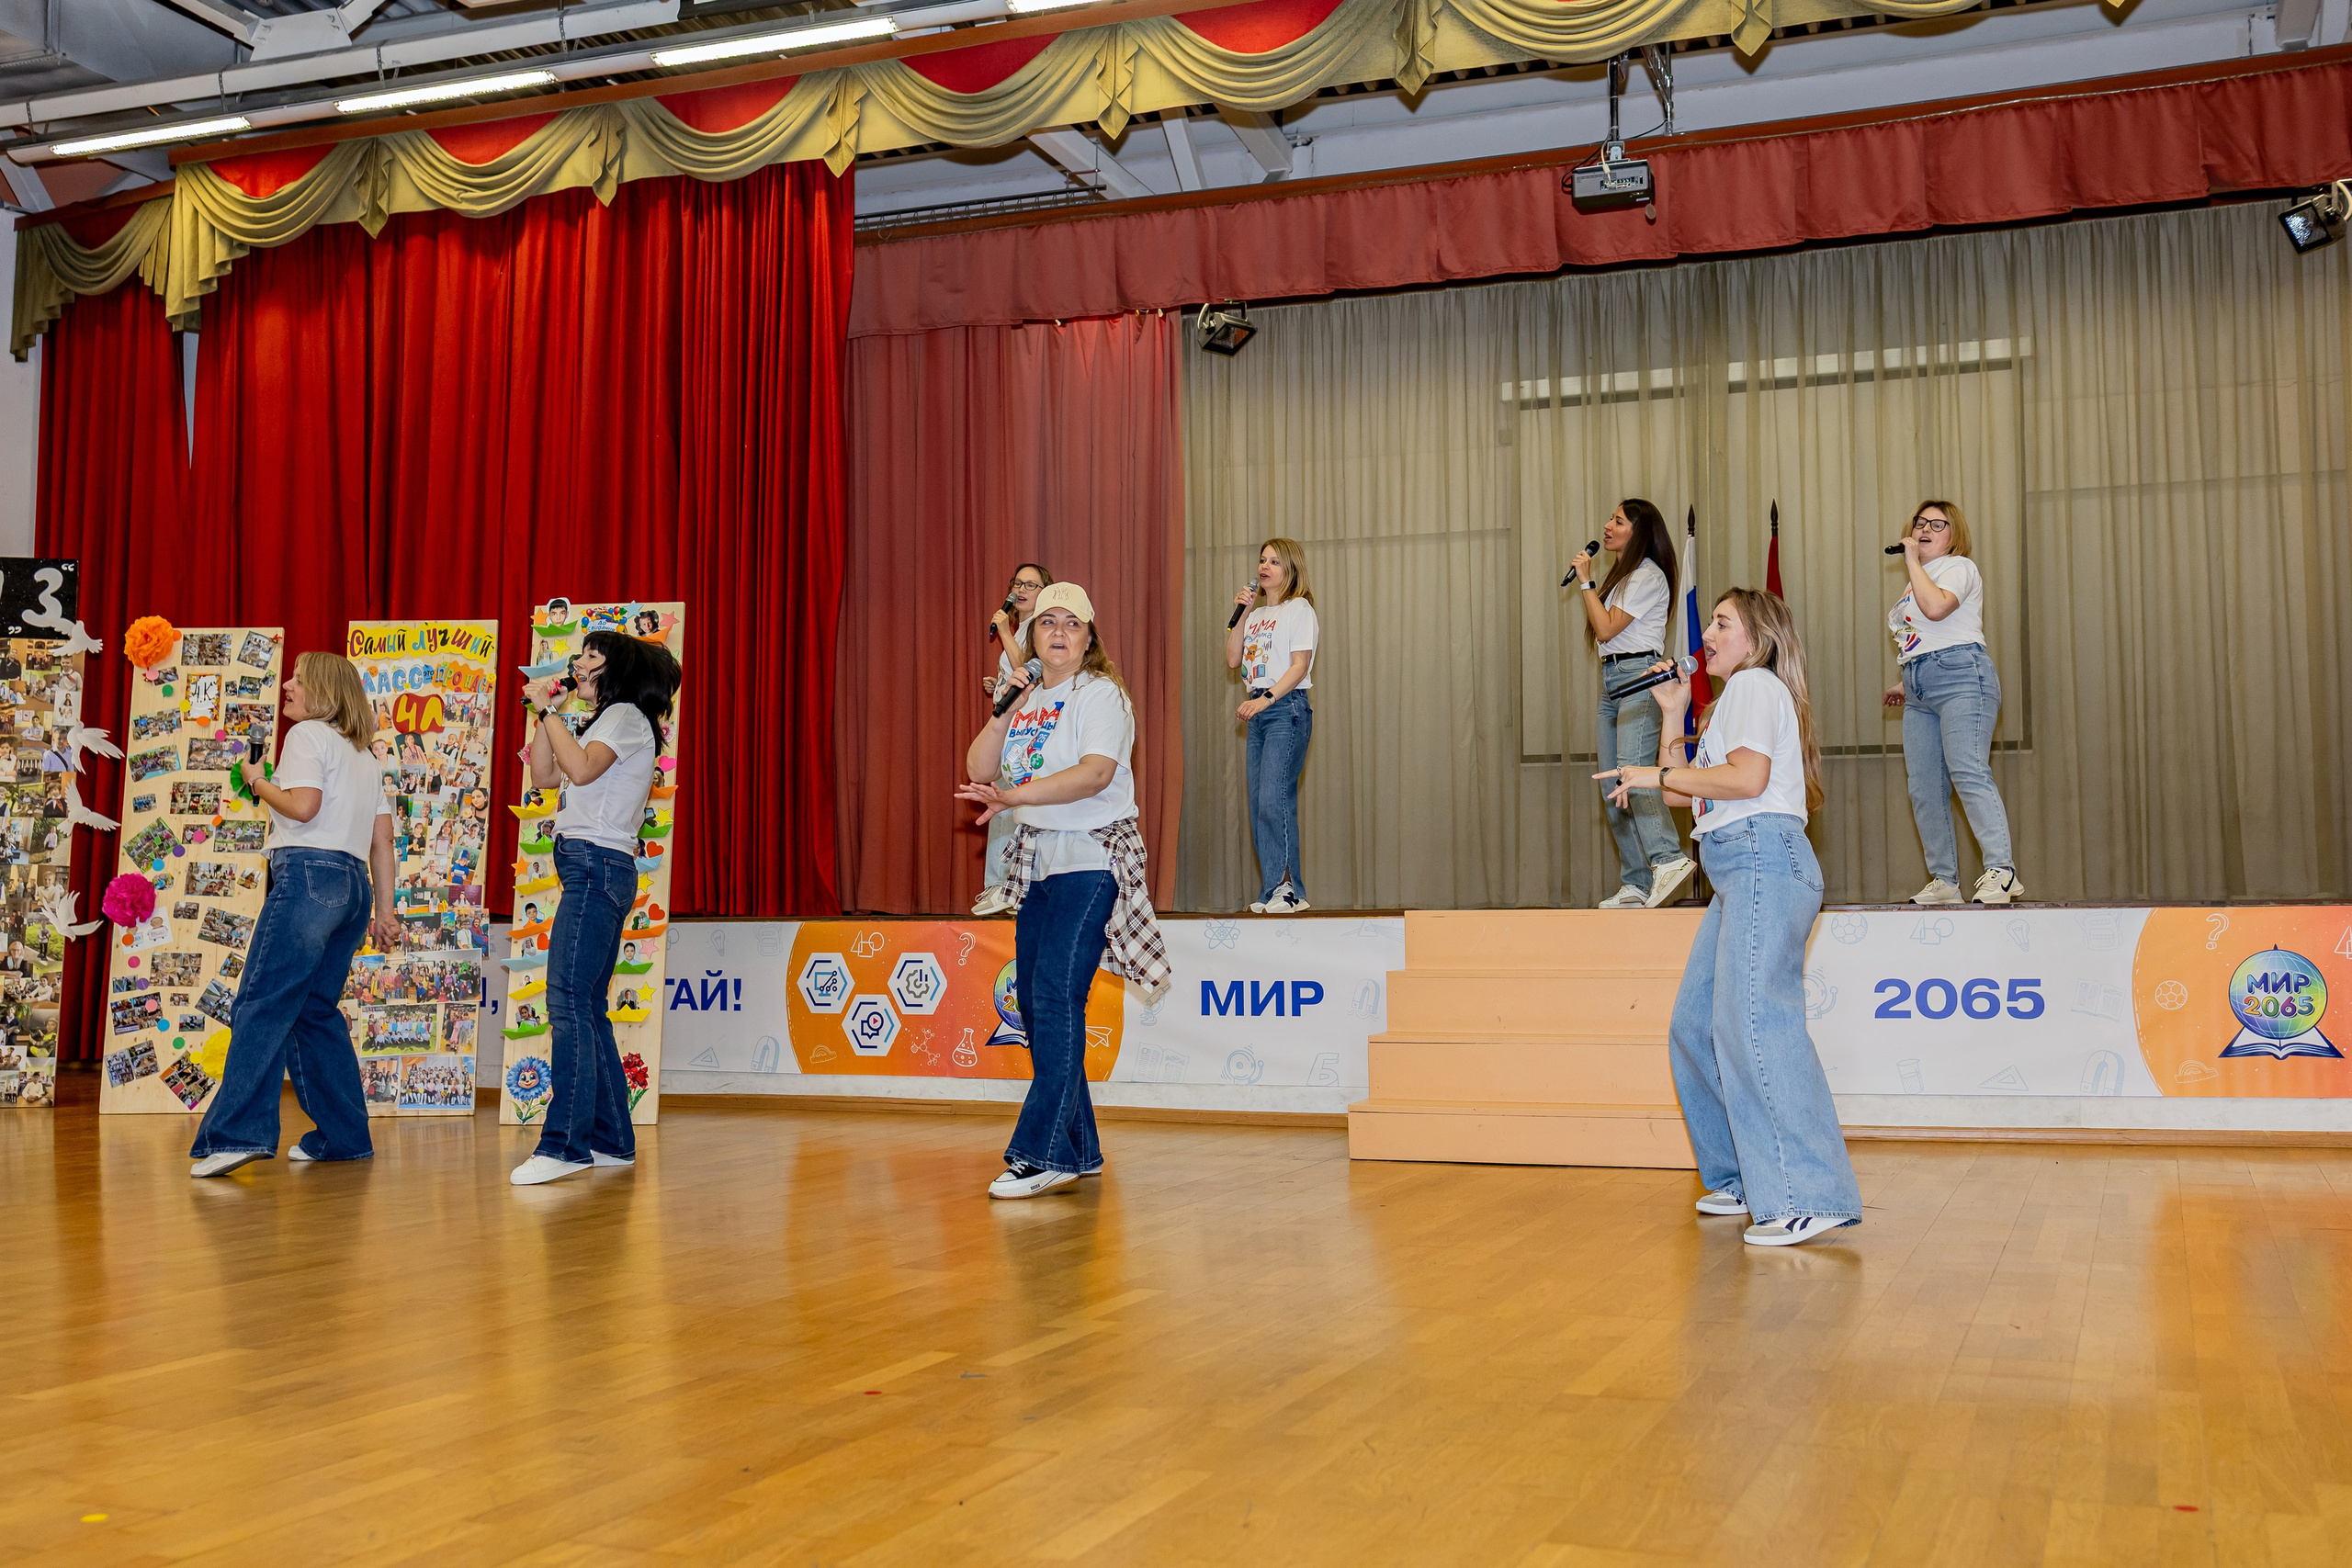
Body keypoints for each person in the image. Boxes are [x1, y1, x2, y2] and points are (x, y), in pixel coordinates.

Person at [1596, 588, 1860, 1247]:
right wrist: (1674, 715)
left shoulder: (1753, 685)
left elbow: (1745, 781)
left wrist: (1653, 776)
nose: (1706, 633)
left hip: (1762, 858)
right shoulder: (1725, 706)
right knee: (1696, 1024)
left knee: (1758, 1024)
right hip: (1736, 870)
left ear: (1757, 638)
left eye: (1721, 622)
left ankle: (1808, 1193)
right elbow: (1692, 793)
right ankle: (1745, 1173)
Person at [956, 582, 1169, 1199]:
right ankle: (1081, 1145)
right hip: (1039, 864)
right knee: (1035, 997)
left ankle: (1042, 1152)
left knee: (1053, 997)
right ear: (1030, 637)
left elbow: (1095, 772)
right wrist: (1002, 706)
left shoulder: (1099, 694)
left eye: (1070, 624)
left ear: (1088, 637)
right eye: (1045, 621)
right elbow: (979, 768)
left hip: (1091, 858)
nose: (1056, 632)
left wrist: (1015, 797)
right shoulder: (1022, 700)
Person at [189, 652, 401, 1177]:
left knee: (262, 1003)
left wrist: (255, 780)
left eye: (299, 680)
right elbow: (383, 843)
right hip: (352, 892)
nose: (287, 684)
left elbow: (303, 807)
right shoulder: (368, 759)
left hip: (308, 878)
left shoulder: (308, 736)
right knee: (314, 1012)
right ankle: (344, 1136)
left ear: (323, 692)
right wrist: (385, 910)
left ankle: (239, 1135)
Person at [509, 630, 681, 1186]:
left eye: (588, 656)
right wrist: (547, 713)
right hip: (591, 867)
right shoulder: (601, 721)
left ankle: (563, 1146)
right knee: (586, 1006)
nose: (576, 663)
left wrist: (550, 711)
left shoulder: (627, 716)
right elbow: (545, 776)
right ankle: (610, 1140)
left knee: (566, 1004)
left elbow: (580, 771)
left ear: (616, 669)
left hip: (596, 866)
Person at [1883, 500, 2022, 906]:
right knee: (1924, 788)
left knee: (1968, 770)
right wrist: (1909, 681)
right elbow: (1922, 637)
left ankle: (2002, 871)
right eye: (1920, 522)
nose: (1925, 529)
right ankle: (1945, 880)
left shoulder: (1959, 568)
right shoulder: (1917, 580)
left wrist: (1912, 561)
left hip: (1964, 678)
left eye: (1937, 525)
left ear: (1954, 534)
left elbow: (1938, 609)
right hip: (1922, 689)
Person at [1567, 498, 1696, 909]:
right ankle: (1636, 881)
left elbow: (1604, 629)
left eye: (1618, 521)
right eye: (1610, 518)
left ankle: (1669, 859)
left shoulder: (1647, 575)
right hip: (1611, 681)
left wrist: (1586, 581)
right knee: (1612, 783)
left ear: (1638, 532)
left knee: (1634, 773)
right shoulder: (1624, 576)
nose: (1607, 525)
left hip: (1639, 676)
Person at [1228, 537, 1317, 915]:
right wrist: (1241, 614)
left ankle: (1289, 889)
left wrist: (1267, 699)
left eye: (1274, 561)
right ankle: (1272, 889)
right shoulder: (1256, 614)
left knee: (1274, 800)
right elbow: (1234, 659)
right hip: (1260, 715)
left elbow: (1299, 665)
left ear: (1291, 569)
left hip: (1286, 708)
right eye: (1262, 560)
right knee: (1259, 804)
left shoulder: (1299, 609)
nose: (1264, 566)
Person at [974, 562, 1054, 918]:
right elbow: (1014, 673)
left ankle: (1011, 886)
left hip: (1029, 731)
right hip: (1006, 727)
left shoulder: (1040, 630)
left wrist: (1005, 632)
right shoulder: (1020, 631)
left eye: (1031, 585)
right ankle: (998, 884)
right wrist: (997, 684)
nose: (1021, 590)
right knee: (999, 803)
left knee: (1012, 803)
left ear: (1045, 592)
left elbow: (1031, 673)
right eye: (1017, 583)